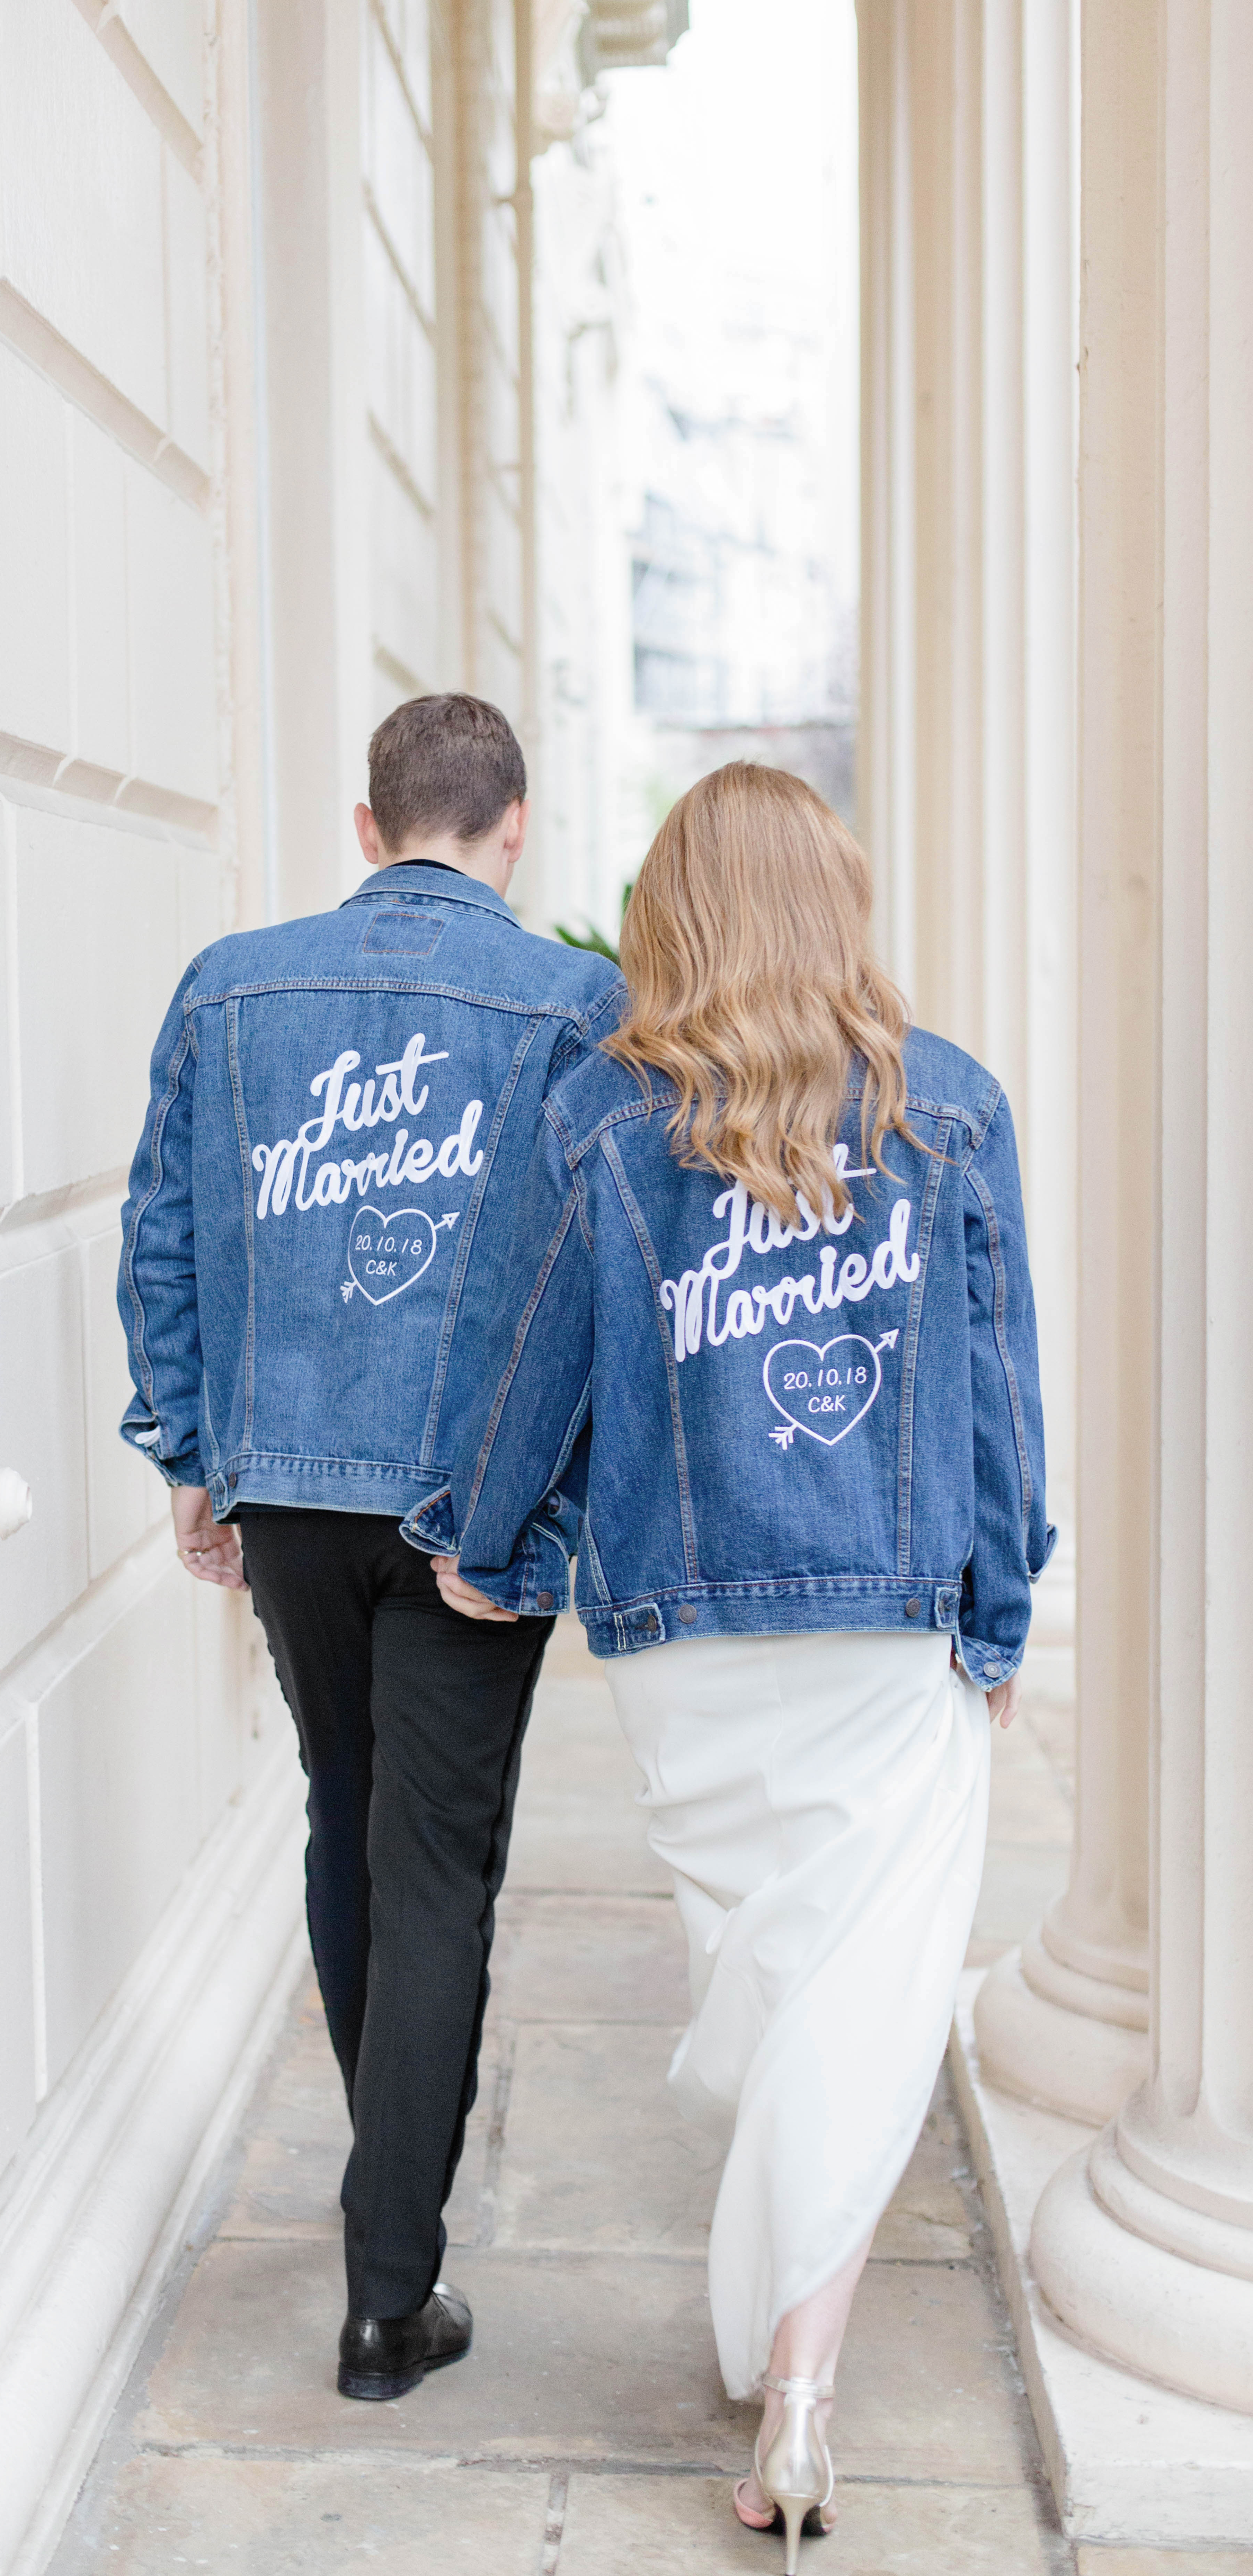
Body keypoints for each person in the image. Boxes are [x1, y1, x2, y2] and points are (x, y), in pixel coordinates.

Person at [406, 762, 1050, 2567]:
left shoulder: (610, 1116)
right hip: (883, 1626)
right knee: (853, 1995)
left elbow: (526, 1350)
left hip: (688, 1639)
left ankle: (791, 2366)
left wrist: (488, 1543)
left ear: (672, 917)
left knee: (781, 1985)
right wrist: (1000, 1607)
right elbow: (999, 1389)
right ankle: (802, 2383)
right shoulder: (957, 1114)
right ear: (836, 901)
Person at [118, 694, 623, 2400]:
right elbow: (607, 1279)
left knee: (350, 1808)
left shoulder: (231, 986)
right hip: (473, 1507)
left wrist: (198, 1454)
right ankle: (387, 2287)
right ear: (516, 826)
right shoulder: (574, 1007)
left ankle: (388, 2205)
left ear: (365, 826)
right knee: (436, 1863)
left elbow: (165, 1238)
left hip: (293, 1493)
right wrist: (561, 1512)